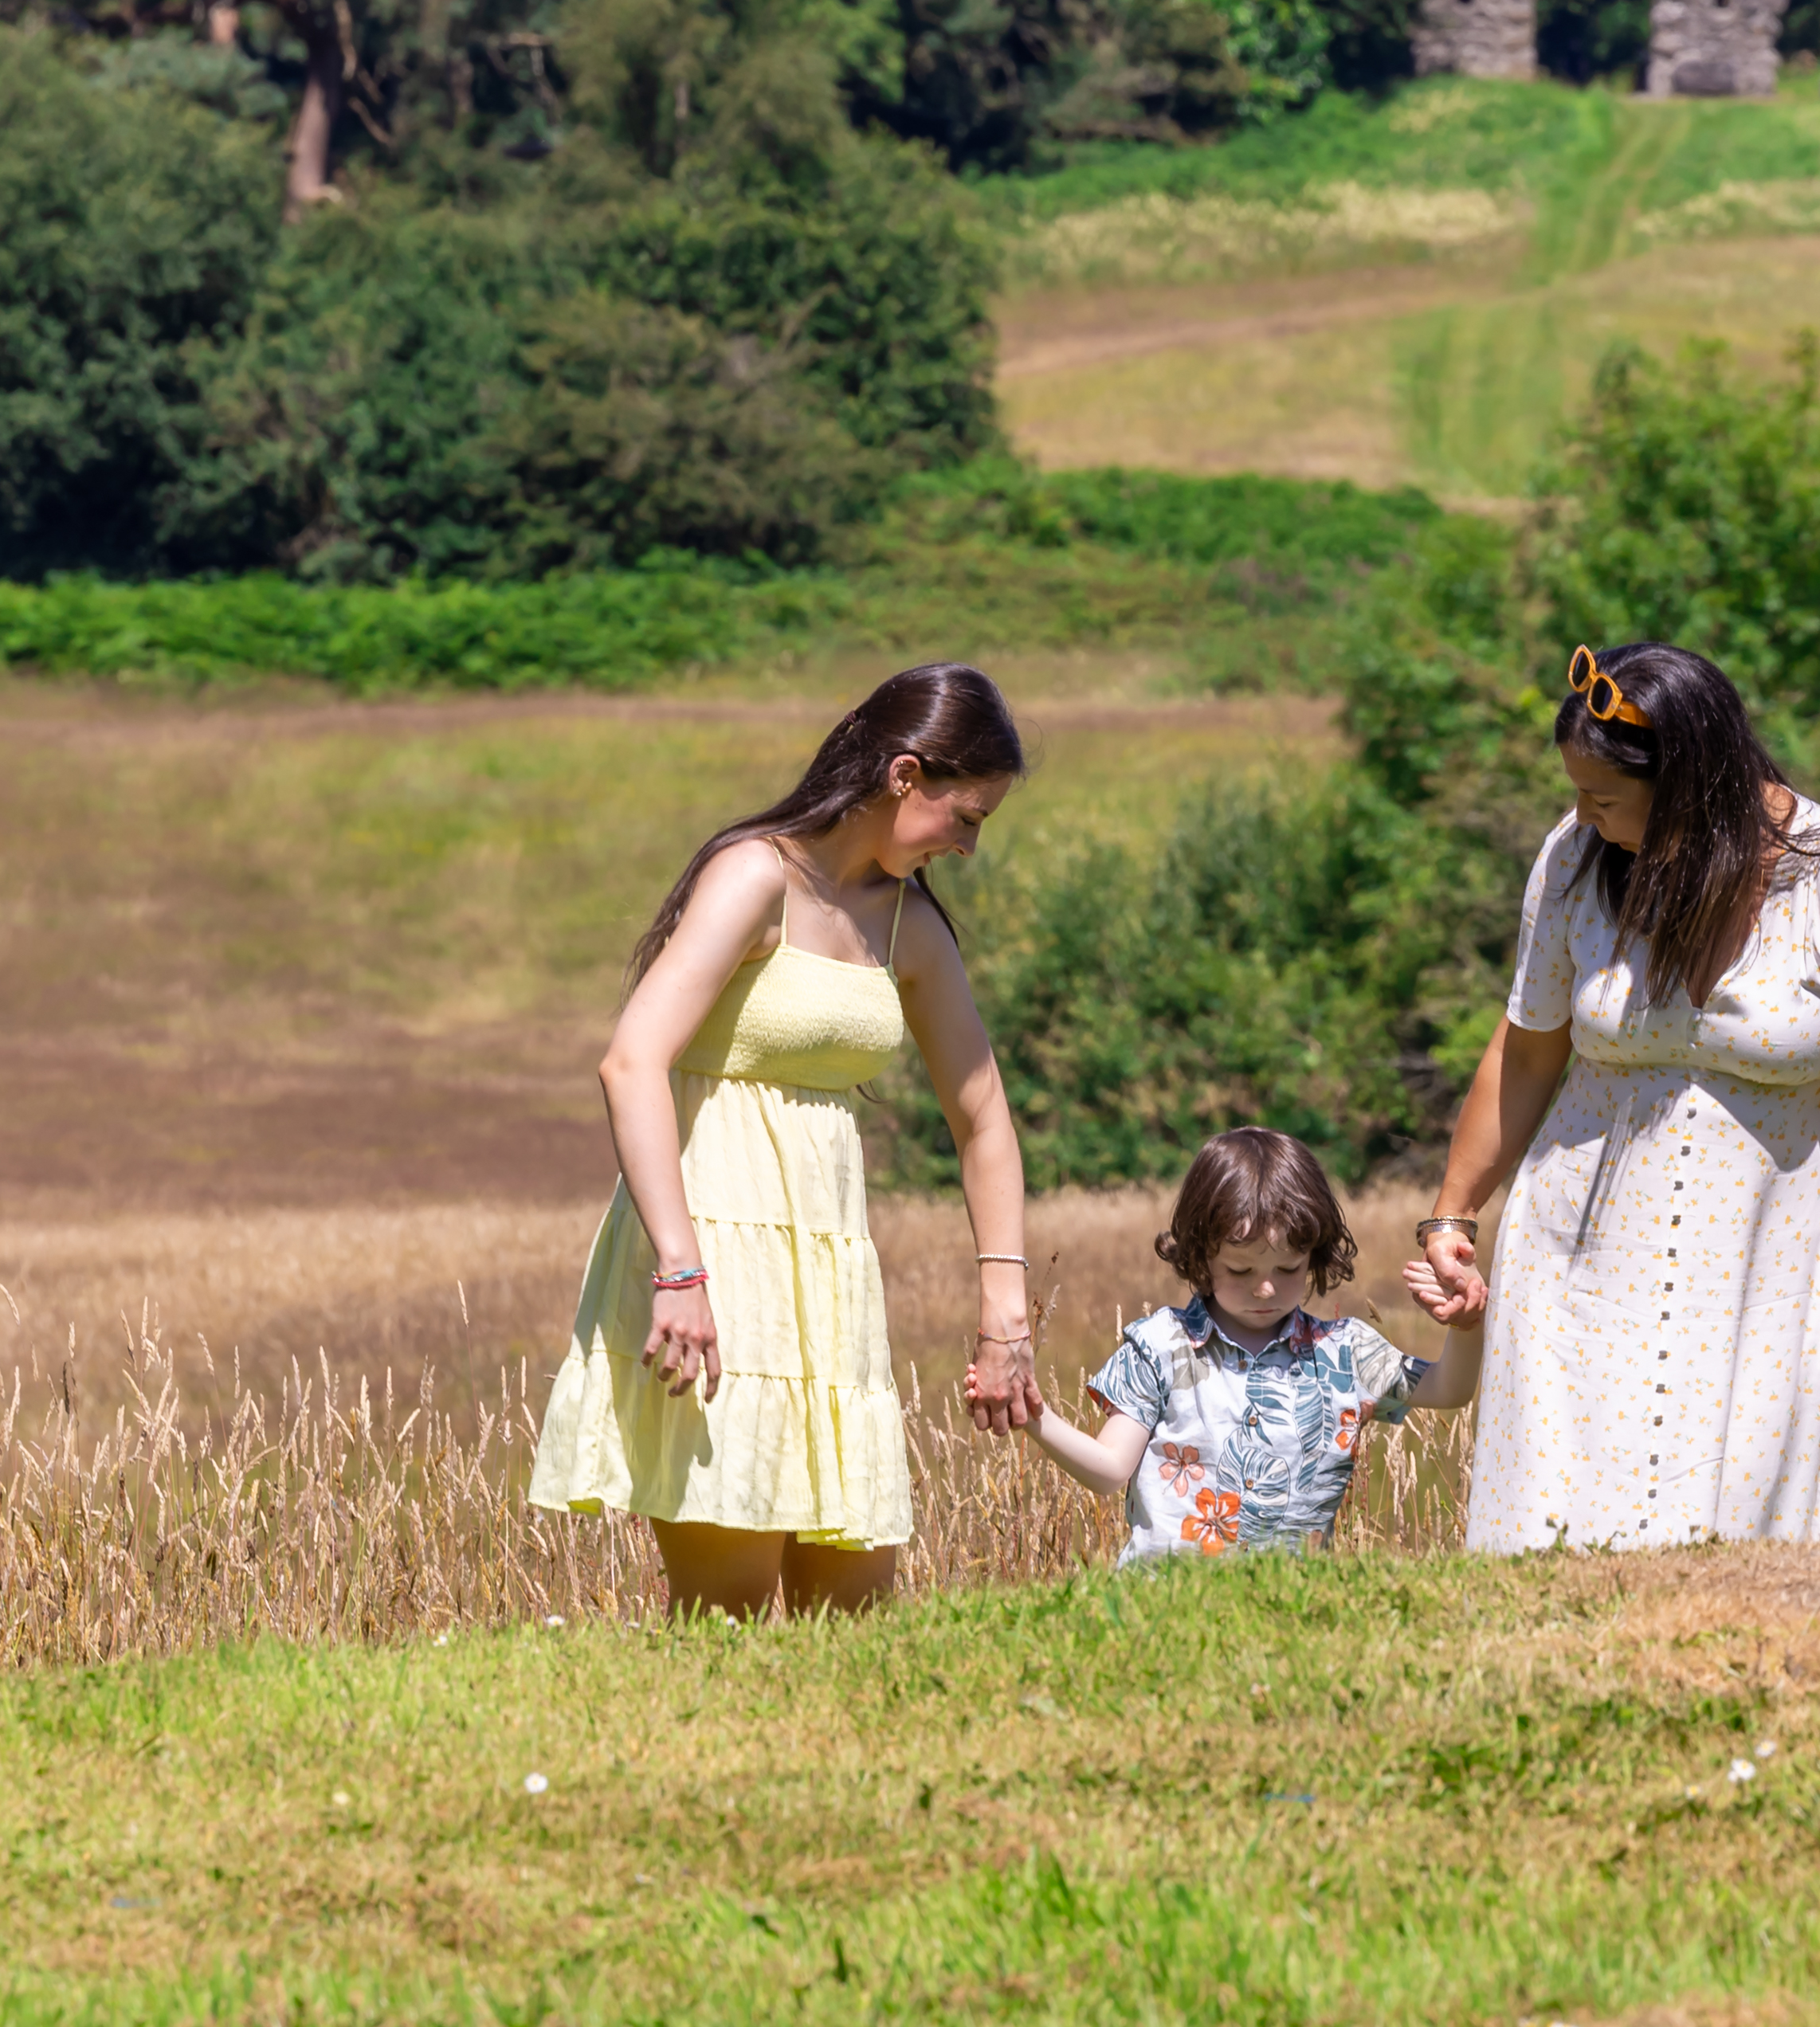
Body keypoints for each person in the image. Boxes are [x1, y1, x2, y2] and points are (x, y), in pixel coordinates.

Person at [525, 663, 1043, 1615]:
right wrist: (679, 1269)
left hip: (829, 1275)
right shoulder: (754, 876)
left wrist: (1003, 1313)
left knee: (852, 1612)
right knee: (726, 1606)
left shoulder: (909, 925)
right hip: (714, 1253)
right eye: (965, 816)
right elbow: (632, 1062)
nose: (968, 846)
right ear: (903, 775)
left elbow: (984, 1120)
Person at [1412, 641, 1820, 1552]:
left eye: (1604, 798)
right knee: (1550, 1538)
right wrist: (1451, 1214)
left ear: (1688, 786)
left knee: (1735, 1552)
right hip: (1574, 1268)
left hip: (1763, 1282)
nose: (1582, 816)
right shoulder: (1576, 859)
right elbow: (1527, 1051)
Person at [1028, 1126, 1480, 1563]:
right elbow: (1110, 1470)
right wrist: (1033, 1415)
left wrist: (1466, 1323)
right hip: (1163, 1597)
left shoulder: (1345, 1352)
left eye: (1288, 1269)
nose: (1265, 1289)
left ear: (1314, 1254)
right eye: (1240, 1271)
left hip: (1292, 1601)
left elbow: (1449, 1389)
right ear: (1201, 1255)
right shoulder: (1160, 1347)